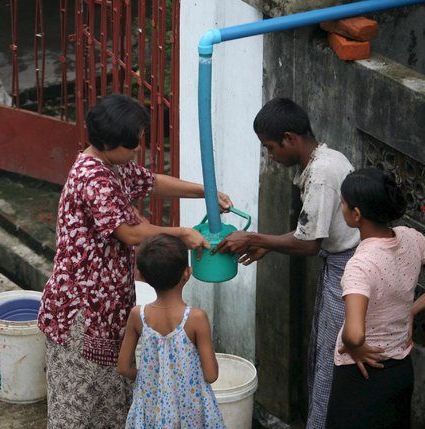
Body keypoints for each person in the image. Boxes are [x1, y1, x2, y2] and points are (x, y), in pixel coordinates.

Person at [37, 93, 232, 428]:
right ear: (109, 143)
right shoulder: (91, 177)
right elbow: (128, 232)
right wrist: (180, 233)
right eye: (132, 145)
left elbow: (151, 181)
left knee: (111, 400)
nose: (137, 150)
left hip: (109, 305)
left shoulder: (114, 164)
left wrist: (206, 191)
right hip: (81, 310)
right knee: (78, 406)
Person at [213, 97, 360, 428]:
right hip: (338, 263)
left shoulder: (321, 173)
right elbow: (310, 233)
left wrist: (254, 239)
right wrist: (270, 244)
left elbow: (308, 245)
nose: (270, 155)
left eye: (270, 147)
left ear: (290, 139)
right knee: (324, 355)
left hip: (348, 270)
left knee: (330, 360)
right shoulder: (327, 157)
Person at [325, 168, 423, 429]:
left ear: (356, 215)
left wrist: (353, 345)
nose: (341, 206)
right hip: (401, 369)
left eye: (343, 203)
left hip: (362, 374)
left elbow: (355, 334)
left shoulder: (361, 265)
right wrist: (411, 311)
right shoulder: (411, 238)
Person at [118, 234, 225, 429]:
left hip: (151, 407)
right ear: (187, 273)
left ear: (142, 275)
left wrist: (151, 379)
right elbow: (210, 375)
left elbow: (124, 368)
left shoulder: (137, 315)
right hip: (191, 410)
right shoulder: (196, 318)